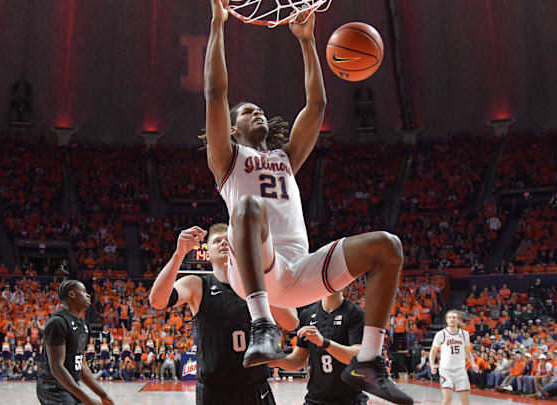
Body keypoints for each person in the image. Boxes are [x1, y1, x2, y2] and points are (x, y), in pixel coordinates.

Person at [201, 1, 411, 403]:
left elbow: (317, 107)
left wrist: (307, 41)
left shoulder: (284, 159)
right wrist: (217, 23)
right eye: (247, 111)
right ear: (231, 128)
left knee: (388, 246)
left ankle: (368, 361)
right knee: (247, 208)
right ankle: (262, 325)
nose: (256, 111)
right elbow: (215, 91)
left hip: (299, 272)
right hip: (257, 274)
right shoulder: (226, 160)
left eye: (259, 109)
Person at [149, 224, 297, 405]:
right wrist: (179, 254)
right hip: (214, 390)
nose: (223, 244)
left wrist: (261, 284)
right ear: (207, 253)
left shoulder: (257, 284)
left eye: (228, 240)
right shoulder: (197, 285)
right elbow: (157, 301)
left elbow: (291, 322)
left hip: (255, 386)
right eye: (217, 241)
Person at [270, 291, 368, 405]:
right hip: (315, 399)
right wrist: (277, 360)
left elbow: (357, 356)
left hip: (350, 399)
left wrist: (324, 342)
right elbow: (298, 360)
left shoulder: (356, 313)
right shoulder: (307, 314)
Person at [37, 280, 115, 405]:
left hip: (71, 386)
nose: (88, 295)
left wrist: (103, 395)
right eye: (84, 292)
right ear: (71, 295)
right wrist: (87, 399)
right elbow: (56, 367)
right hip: (53, 388)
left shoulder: (83, 325)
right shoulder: (57, 322)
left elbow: (81, 364)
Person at [429, 310, 478, 405]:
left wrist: (473, 364)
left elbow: (467, 351)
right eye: (450, 317)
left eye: (454, 317)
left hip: (460, 370)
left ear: (458, 320)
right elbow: (433, 351)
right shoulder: (441, 334)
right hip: (446, 370)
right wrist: (432, 365)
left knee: (466, 401)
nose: (452, 319)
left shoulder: (464, 334)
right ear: (447, 320)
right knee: (448, 400)